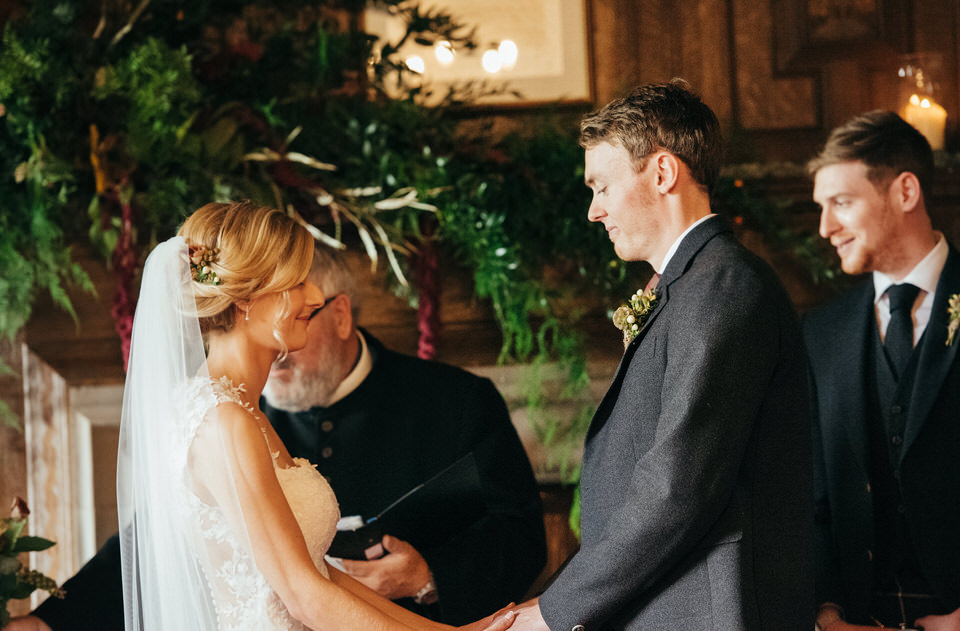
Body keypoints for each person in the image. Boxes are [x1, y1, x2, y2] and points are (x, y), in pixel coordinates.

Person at [9, 236, 545, 631]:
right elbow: (152, 543)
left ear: (341, 317)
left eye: (315, 299)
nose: (308, 298)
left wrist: (440, 596)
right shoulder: (228, 418)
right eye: (296, 286)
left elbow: (517, 529)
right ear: (245, 301)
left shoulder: (454, 400)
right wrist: (52, 619)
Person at [509, 80, 813, 630]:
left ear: (663, 173)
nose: (593, 211)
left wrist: (556, 613)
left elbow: (678, 485)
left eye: (601, 186)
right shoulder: (689, 284)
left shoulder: (722, 287)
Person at [805, 111, 960, 631]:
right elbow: (816, 501)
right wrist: (828, 613)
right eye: (821, 208)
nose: (826, 227)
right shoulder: (822, 334)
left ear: (905, 191)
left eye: (841, 203)